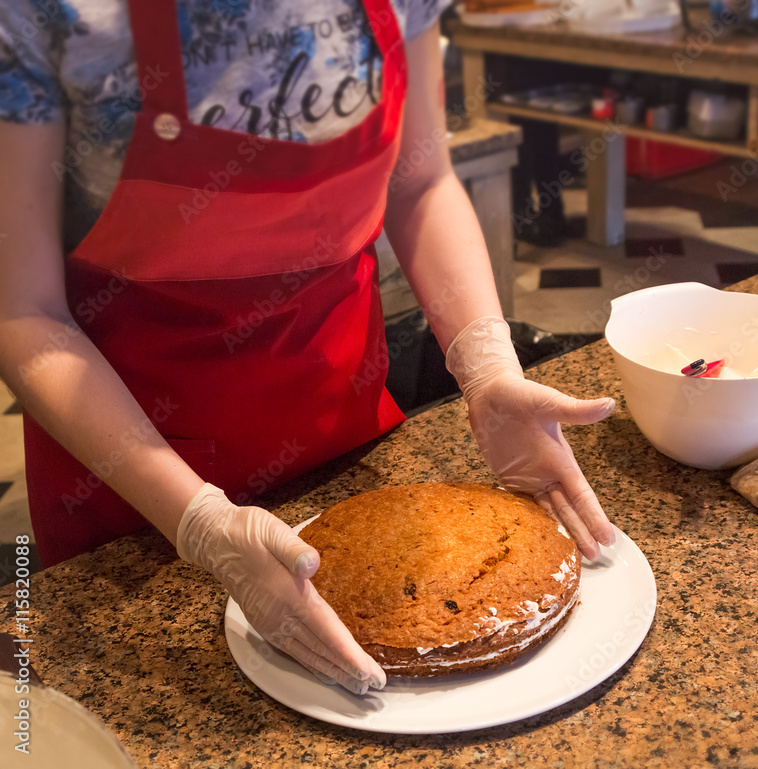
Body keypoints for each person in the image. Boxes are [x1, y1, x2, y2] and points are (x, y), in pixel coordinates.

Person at [0, 0, 616, 695]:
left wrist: (486, 367)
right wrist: (198, 521)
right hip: (133, 502)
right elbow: (22, 310)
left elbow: (421, 181)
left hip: (346, 441)